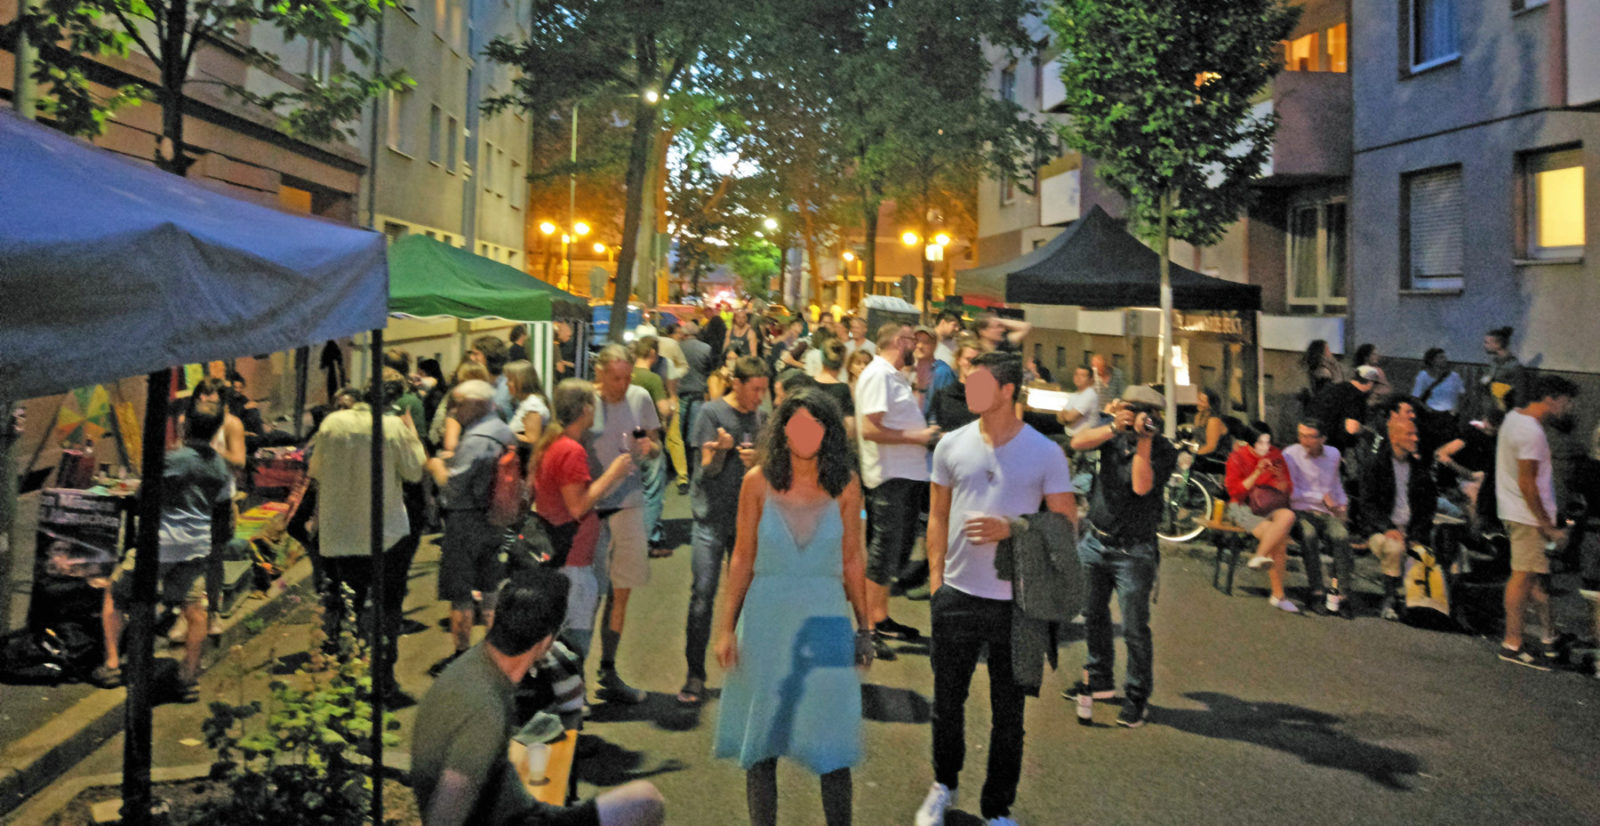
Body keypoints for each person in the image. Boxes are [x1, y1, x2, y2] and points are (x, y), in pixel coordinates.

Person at [916, 352, 1076, 826]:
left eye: (978, 383)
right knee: (947, 703)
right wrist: (936, 581)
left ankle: (998, 810)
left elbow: (1066, 525)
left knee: (1010, 716)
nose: (968, 391)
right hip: (958, 595)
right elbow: (938, 516)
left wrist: (1016, 526)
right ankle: (943, 785)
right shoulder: (951, 445)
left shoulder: (1045, 452)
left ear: (1007, 390)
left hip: (1018, 603)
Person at [713, 389, 871, 826]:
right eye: (797, 425)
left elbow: (853, 559)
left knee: (833, 744)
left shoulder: (847, 486)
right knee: (762, 742)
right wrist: (726, 628)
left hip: (826, 622)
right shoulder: (756, 483)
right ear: (782, 431)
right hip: (765, 620)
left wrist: (865, 628)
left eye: (816, 425)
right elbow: (742, 556)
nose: (806, 435)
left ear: (830, 432)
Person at [411, 571, 666, 826]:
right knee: (645, 802)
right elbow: (443, 817)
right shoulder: (485, 712)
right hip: (513, 819)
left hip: (513, 807)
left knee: (643, 799)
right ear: (546, 641)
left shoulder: (475, 666)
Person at [96, 402, 233, 699]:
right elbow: (222, 505)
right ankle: (188, 677)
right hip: (196, 546)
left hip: (160, 544)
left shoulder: (174, 459)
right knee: (195, 611)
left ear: (187, 427)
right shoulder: (221, 466)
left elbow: (144, 493)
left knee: (115, 593)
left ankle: (111, 663)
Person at [306, 383, 427, 702]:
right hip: (387, 532)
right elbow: (414, 472)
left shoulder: (331, 424)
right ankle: (384, 675)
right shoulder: (392, 428)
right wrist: (411, 433)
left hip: (343, 532)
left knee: (351, 604)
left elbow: (315, 470)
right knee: (388, 605)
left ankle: (348, 673)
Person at [1068, 386, 1179, 727]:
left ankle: (1136, 696)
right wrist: (1115, 427)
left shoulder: (1162, 448)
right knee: (1093, 615)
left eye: (1149, 412)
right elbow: (1077, 443)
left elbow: (1142, 487)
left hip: (1134, 550)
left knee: (1133, 628)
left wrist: (1143, 441)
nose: (1142, 416)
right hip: (1095, 542)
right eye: (1135, 409)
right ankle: (1099, 679)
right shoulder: (1110, 434)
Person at [680, 356, 771, 706]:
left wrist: (758, 462)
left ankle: (745, 673)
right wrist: (720, 454)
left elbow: (772, 469)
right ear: (737, 384)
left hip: (748, 523)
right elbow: (703, 472)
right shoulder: (710, 414)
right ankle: (695, 674)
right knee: (703, 594)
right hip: (711, 519)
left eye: (764, 389)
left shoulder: (763, 418)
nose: (761, 396)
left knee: (749, 598)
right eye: (756, 389)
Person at [529, 379, 633, 666]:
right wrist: (613, 473)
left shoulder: (552, 443)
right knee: (574, 643)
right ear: (586, 409)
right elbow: (578, 507)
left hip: (560, 555)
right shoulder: (570, 451)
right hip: (573, 559)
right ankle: (570, 703)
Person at [856, 322, 939, 659]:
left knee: (895, 553)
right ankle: (867, 629)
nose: (916, 345)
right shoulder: (878, 375)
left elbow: (906, 417)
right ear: (898, 341)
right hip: (889, 477)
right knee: (882, 553)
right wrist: (917, 438)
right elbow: (869, 429)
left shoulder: (893, 375)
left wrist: (920, 378)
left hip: (905, 474)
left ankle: (880, 617)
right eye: (912, 340)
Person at [586, 344, 662, 703]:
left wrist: (650, 449)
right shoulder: (584, 400)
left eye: (627, 377)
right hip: (588, 507)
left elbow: (655, 443)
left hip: (628, 503)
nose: (622, 384)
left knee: (622, 592)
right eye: (616, 377)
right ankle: (571, 680)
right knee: (587, 594)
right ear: (599, 373)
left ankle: (608, 669)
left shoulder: (640, 397)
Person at [424, 380, 514, 669]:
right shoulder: (503, 430)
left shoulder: (476, 439)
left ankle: (462, 656)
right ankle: (493, 654)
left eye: (457, 403)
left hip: (466, 520)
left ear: (476, 404)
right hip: (497, 517)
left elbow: (452, 487)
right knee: (490, 589)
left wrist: (437, 466)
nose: (452, 410)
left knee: (460, 592)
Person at [1495, 375, 1578, 668]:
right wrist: (1546, 525)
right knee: (1523, 577)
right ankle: (1512, 644)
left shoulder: (1514, 420)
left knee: (1537, 580)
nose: (1569, 408)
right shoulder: (1531, 432)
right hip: (1526, 516)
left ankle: (1549, 638)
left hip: (1515, 512)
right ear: (1551, 398)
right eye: (1567, 401)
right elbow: (1527, 482)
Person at [1355, 416, 1438, 622]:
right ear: (1394, 437)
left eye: (1415, 433)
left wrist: (1417, 534)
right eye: (1409, 434)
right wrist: (1388, 528)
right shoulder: (1375, 465)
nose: (1415, 438)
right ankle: (1390, 599)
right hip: (1380, 530)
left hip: (1410, 531)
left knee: (1441, 553)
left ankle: (1432, 608)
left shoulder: (1420, 470)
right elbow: (1367, 504)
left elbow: (1428, 507)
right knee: (1394, 548)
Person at [1224, 422, 1300, 613]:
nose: (1265, 447)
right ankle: (1278, 595)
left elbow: (1287, 487)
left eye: (1267, 442)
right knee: (1278, 537)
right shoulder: (1238, 457)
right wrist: (1257, 472)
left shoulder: (1275, 455)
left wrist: (1279, 479)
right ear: (1250, 443)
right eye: (1260, 443)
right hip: (1243, 506)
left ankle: (1259, 555)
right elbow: (1234, 491)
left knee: (1288, 515)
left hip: (1269, 504)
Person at [1283, 419, 1353, 618]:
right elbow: (1291, 490)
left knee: (1341, 536)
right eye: (1301, 435)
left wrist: (1343, 504)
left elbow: (1336, 483)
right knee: (1309, 534)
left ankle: (1343, 595)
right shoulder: (1291, 454)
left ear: (1323, 438)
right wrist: (1321, 497)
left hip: (1327, 511)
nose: (1304, 440)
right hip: (1301, 510)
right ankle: (1316, 591)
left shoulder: (1333, 454)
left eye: (1310, 436)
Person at [630, 339, 674, 557]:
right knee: (653, 491)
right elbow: (664, 410)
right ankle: (646, 541)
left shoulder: (626, 375)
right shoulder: (652, 379)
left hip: (625, 439)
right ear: (652, 354)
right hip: (649, 438)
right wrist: (673, 405)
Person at [677, 320, 715, 490]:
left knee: (677, 435)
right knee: (694, 435)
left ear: (685, 333)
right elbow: (709, 371)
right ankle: (695, 470)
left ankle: (680, 470)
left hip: (680, 394)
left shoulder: (678, 347)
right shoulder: (705, 349)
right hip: (698, 394)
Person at [1311, 365, 1379, 456]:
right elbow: (1352, 428)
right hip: (1333, 449)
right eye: (1375, 385)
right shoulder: (1357, 397)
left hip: (1311, 443)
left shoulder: (1333, 388)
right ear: (1370, 383)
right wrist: (1369, 433)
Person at [656, 324, 691, 493]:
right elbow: (684, 367)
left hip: (657, 395)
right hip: (668, 395)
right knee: (674, 437)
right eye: (677, 332)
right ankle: (682, 477)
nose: (680, 335)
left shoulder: (639, 346)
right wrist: (674, 376)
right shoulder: (671, 346)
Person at [927, 335, 983, 433]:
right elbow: (932, 428)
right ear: (958, 360)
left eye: (977, 360)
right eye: (968, 359)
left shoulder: (989, 398)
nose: (973, 364)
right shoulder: (943, 395)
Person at [813, 338, 856, 440]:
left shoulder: (807, 383)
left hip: (809, 445)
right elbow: (850, 428)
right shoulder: (843, 389)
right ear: (843, 361)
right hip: (833, 446)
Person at [468, 335, 514, 422]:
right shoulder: (478, 384)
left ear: (490, 356)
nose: (471, 358)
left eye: (476, 354)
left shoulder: (509, 385)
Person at [1482, 326, 1527, 413]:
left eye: (1487, 342)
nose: (1485, 345)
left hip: (1505, 410)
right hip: (1492, 409)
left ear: (1497, 344)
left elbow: (1520, 391)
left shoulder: (1514, 366)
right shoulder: (1494, 363)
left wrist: (1517, 409)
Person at [505, 360, 552, 444]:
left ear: (521, 381)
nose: (506, 384)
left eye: (510, 380)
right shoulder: (527, 402)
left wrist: (503, 434)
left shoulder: (532, 406)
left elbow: (532, 440)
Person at [1411, 347, 1465, 416]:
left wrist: (1456, 409)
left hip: (1450, 415)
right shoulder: (1423, 376)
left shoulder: (1454, 377)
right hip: (1432, 414)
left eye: (1444, 357)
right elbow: (1416, 397)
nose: (1444, 360)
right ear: (1432, 361)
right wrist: (1427, 410)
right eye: (1440, 358)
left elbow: (1462, 395)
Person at [1190, 387, 1232, 471]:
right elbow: (1196, 439)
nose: (1198, 402)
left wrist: (1194, 456)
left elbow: (1211, 446)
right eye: (1198, 399)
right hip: (1205, 455)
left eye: (1202, 401)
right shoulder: (1198, 416)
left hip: (1218, 458)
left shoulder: (1214, 420)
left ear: (1211, 405)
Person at [1056, 365, 1101, 438]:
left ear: (1090, 379)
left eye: (1083, 375)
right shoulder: (1075, 394)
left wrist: (1065, 417)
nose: (1078, 378)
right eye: (1076, 374)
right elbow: (1060, 417)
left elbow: (1069, 418)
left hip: (1082, 440)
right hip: (1069, 435)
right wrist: (1065, 417)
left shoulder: (1089, 394)